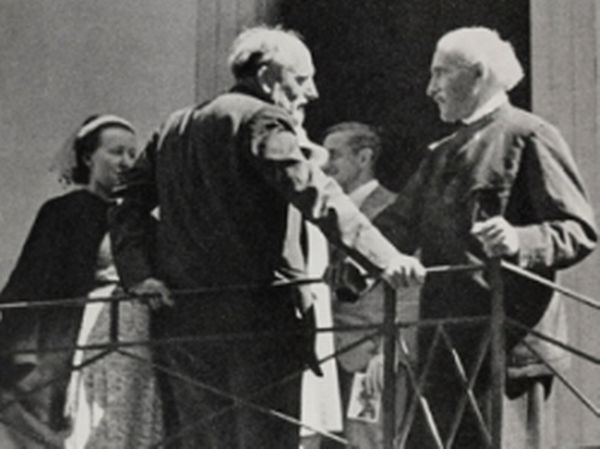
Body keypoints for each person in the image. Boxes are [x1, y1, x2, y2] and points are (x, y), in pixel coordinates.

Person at [109, 25, 425, 449]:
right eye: (302, 78)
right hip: (257, 325)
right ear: (268, 75)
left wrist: (139, 273)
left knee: (201, 442)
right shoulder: (263, 119)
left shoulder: (174, 126)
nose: (311, 93)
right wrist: (384, 257)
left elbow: (125, 199)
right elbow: (318, 194)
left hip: (182, 322)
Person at [375, 27, 597, 449]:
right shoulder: (440, 153)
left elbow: (578, 229)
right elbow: (397, 225)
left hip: (505, 354)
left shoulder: (529, 134)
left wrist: (519, 240)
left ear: (477, 74)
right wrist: (359, 254)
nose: (430, 88)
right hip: (443, 351)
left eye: (440, 74)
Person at [0, 115, 163, 448]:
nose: (127, 162)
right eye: (116, 152)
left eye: (133, 155)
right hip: (88, 341)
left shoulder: (140, 221)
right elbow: (35, 282)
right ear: (88, 157)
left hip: (141, 344)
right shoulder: (64, 213)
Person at [323, 122, 418, 449]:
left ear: (363, 158)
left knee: (371, 442)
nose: (325, 164)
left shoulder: (394, 212)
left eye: (334, 155)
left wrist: (390, 351)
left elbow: (408, 289)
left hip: (370, 357)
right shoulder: (323, 213)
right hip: (327, 355)